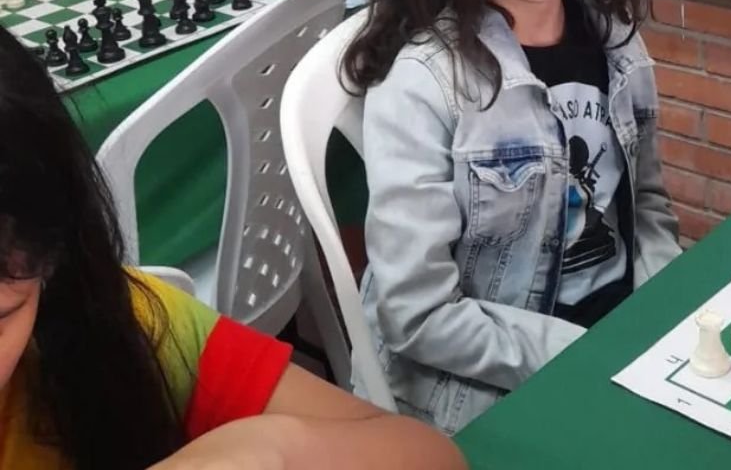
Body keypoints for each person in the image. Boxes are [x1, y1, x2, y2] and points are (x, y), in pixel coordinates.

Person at [340, 0, 683, 434]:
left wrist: (664, 316)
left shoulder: (616, 36)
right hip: (495, 384)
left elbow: (647, 208)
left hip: (623, 341)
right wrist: (594, 358)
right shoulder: (421, 85)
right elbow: (417, 316)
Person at [0, 25, 467, 470]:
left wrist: (274, 447)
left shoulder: (108, 324)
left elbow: (430, 456)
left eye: (3, 318)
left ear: (55, 257)